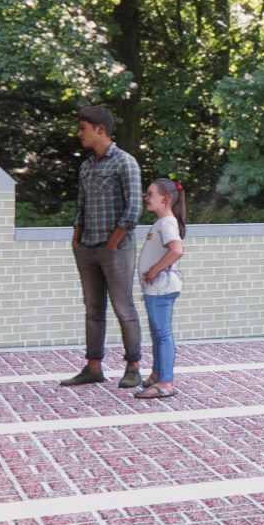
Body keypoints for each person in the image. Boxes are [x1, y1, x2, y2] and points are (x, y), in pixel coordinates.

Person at [60, 105, 147, 388]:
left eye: (82, 128)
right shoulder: (86, 166)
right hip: (87, 248)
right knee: (93, 309)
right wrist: (76, 238)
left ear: (100, 129)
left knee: (124, 308)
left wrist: (112, 244)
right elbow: (81, 206)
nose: (78, 134)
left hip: (116, 249)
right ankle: (93, 367)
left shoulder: (125, 163)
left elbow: (133, 209)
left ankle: (133, 366)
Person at [134, 179, 187, 400]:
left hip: (161, 289)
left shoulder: (166, 223)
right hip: (156, 290)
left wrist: (155, 270)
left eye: (150, 194)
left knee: (163, 335)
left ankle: (166, 384)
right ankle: (157, 375)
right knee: (158, 334)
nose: (146, 198)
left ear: (165, 198)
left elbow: (177, 250)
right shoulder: (162, 222)